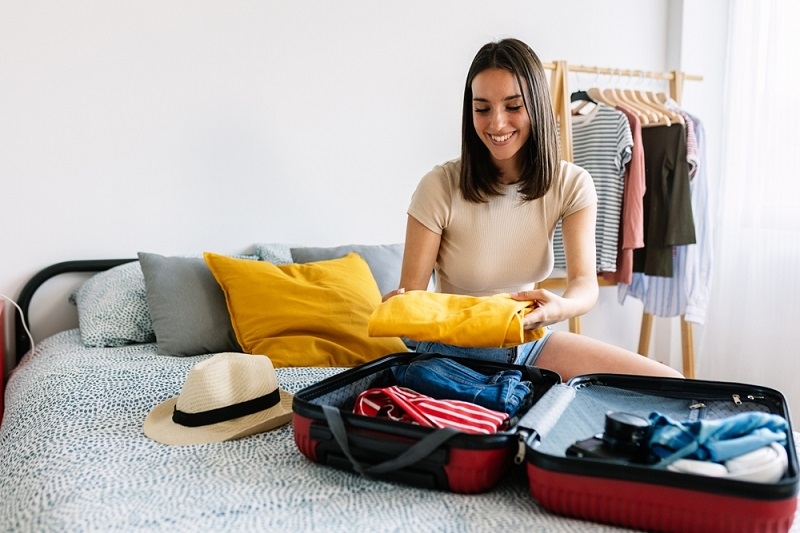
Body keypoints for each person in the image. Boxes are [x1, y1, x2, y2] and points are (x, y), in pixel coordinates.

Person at [383, 38, 683, 381]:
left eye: (513, 106)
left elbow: (584, 284)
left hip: (529, 342)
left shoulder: (571, 184)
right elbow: (414, 300)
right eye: (482, 109)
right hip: (451, 348)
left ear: (537, 106)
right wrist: (398, 305)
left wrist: (560, 308)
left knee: (671, 382)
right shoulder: (438, 186)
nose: (496, 123)